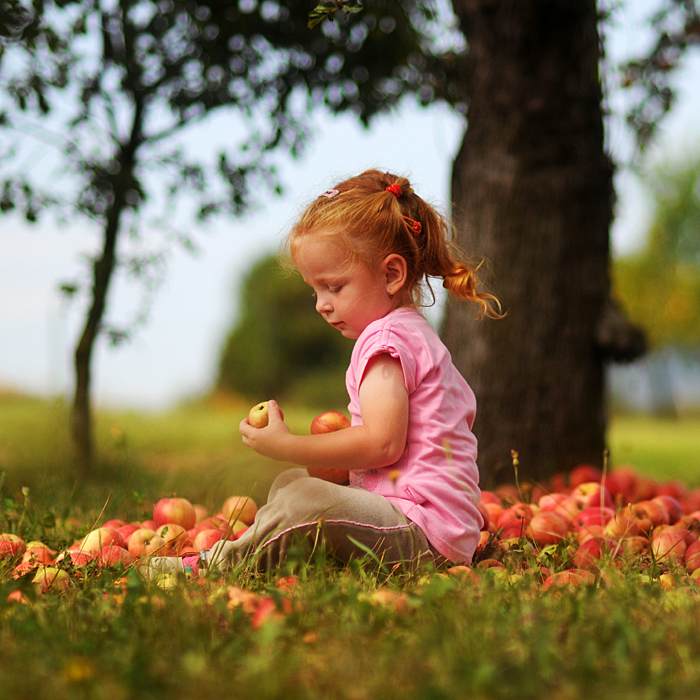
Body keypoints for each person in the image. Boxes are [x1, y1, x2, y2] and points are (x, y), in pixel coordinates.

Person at [141, 169, 501, 579]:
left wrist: (285, 445)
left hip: (421, 536)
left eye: (334, 287)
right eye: (316, 290)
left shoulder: (386, 340)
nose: (321, 304)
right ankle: (296, 554)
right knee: (294, 485)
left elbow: (383, 444)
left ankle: (217, 566)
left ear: (390, 275)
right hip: (422, 523)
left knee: (307, 497)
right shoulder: (409, 332)